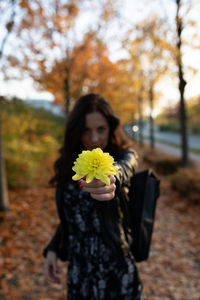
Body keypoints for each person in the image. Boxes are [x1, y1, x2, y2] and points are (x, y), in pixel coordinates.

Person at [43, 93, 145, 299]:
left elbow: (126, 166)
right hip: (80, 273)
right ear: (76, 131)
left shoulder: (122, 157)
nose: (95, 139)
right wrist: (53, 248)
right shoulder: (69, 166)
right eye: (86, 131)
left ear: (111, 128)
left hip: (116, 271)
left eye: (101, 129)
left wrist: (112, 176)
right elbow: (72, 217)